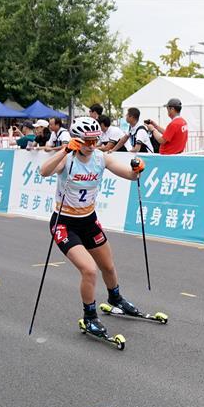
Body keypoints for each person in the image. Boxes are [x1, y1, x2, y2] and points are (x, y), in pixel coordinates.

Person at [38, 116, 148, 337]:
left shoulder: (100, 158)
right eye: (86, 141)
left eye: (95, 140)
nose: (91, 145)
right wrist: (64, 151)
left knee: (107, 266)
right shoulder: (67, 159)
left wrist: (137, 170)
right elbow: (44, 171)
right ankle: (89, 317)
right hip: (64, 223)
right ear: (76, 140)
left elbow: (129, 175)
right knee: (89, 270)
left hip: (89, 220)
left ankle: (115, 298)